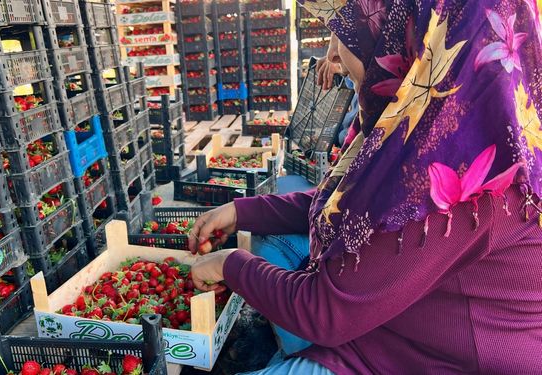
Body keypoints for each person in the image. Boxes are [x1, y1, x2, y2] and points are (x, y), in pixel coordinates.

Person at [188, 1, 542, 374]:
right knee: (270, 241)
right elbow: (362, 209)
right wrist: (241, 211)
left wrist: (230, 264)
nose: (336, 53)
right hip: (396, 317)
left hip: (420, 357)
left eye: (352, 33)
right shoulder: (442, 122)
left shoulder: (466, 182)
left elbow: (325, 314)